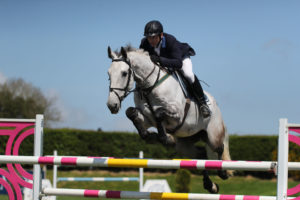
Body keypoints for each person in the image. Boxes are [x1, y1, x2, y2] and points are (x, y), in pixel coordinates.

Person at [139, 20, 211, 118]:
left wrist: (159, 60)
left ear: (161, 35)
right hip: (164, 62)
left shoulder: (170, 40)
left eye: (153, 37)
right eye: (148, 37)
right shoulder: (144, 43)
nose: (150, 40)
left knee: (188, 74)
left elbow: (178, 63)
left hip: (180, 58)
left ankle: (203, 103)